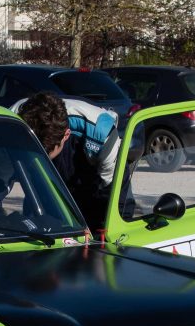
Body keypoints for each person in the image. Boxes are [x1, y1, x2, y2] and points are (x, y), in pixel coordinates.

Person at [14, 92, 120, 230]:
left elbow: (112, 195)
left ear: (66, 136)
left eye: (46, 154)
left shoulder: (102, 135)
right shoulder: (13, 123)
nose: (41, 158)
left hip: (88, 184)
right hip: (40, 196)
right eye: (34, 152)